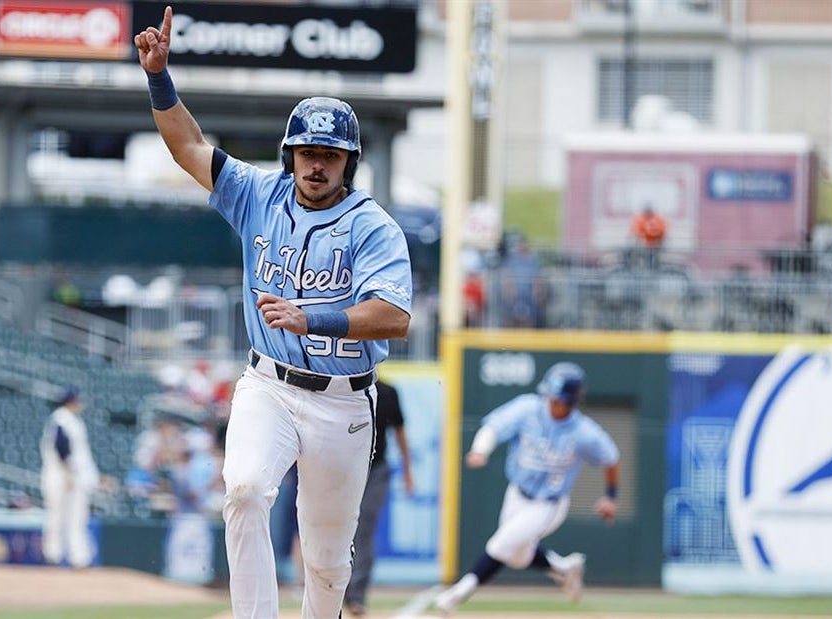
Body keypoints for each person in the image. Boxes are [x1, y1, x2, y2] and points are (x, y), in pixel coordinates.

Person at [135, 8, 413, 618]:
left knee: (327, 562)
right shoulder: (259, 193)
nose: (317, 164)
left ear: (349, 162)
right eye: (307, 151)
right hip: (268, 383)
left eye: (330, 155)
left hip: (343, 399)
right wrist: (159, 79)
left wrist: (313, 317)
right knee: (243, 489)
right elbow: (188, 145)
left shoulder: (373, 227)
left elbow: (394, 318)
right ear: (291, 153)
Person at [432, 362, 620, 614]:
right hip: (516, 494)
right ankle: (564, 569)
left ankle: (457, 594)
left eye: (557, 399)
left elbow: (611, 458)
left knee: (501, 545)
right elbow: (493, 427)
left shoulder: (583, 431)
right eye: (550, 396)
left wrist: (610, 497)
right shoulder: (528, 408)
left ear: (571, 401)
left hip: (549, 504)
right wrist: (481, 449)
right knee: (518, 557)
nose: (551, 402)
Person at [344, 379, 414, 617]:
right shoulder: (344, 388)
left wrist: (407, 472)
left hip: (376, 471)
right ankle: (337, 590)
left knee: (364, 530)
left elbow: (400, 431)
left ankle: (356, 596)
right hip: (345, 468)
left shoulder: (387, 392)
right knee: (339, 529)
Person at [40, 387, 100, 568]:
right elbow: (61, 448)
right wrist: (67, 474)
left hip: (74, 476)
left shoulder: (74, 420)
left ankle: (78, 558)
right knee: (57, 516)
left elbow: (80, 455)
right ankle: (53, 555)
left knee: (77, 517)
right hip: (60, 475)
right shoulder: (61, 419)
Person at [630, 205, 666, 269]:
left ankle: (653, 268)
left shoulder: (658, 220)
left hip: (654, 246)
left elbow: (662, 232)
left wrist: (657, 242)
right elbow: (637, 233)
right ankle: (649, 267)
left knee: (653, 260)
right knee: (648, 260)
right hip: (647, 246)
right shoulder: (640, 220)